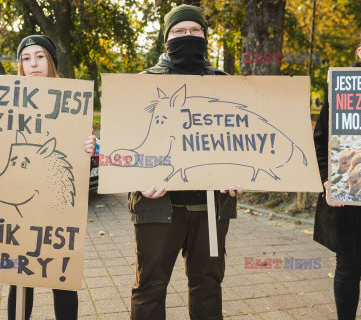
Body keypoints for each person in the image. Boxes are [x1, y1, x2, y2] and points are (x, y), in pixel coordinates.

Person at [0, 35, 96, 320]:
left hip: (55, 217)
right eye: (26, 58)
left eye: (40, 56)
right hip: (16, 216)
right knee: (19, 281)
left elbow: (79, 153)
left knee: (62, 280)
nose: (33, 63)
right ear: (20, 64)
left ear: (51, 61)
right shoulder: (5, 101)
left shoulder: (72, 101)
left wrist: (91, 148)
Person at [128, 5, 241, 320]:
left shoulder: (226, 84)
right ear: (166, 39)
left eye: (195, 30)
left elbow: (239, 144)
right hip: (157, 208)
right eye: (179, 31)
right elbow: (124, 146)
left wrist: (239, 173)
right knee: (150, 286)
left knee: (208, 284)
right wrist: (136, 180)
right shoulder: (140, 85)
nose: (188, 36)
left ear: (205, 36)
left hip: (212, 210)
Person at [313, 23, 361, 320]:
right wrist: (328, 181)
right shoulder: (342, 91)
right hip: (350, 200)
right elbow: (321, 141)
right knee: (348, 269)